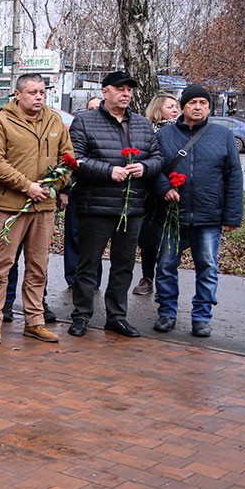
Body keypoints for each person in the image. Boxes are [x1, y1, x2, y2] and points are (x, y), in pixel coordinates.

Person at [67, 71, 163, 338]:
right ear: (105, 92)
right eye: (120, 89)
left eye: (129, 90)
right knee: (88, 264)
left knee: (124, 265)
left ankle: (117, 316)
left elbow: (158, 157)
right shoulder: (85, 122)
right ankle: (82, 315)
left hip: (132, 208)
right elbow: (75, 159)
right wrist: (108, 170)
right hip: (96, 206)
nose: (126, 94)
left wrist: (145, 167)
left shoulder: (143, 124)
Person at [0, 73, 73, 345]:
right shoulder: (1, 121)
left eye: (42, 92)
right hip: (10, 206)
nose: (39, 97)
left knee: (38, 268)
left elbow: (68, 159)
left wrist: (55, 185)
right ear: (17, 95)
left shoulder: (55, 120)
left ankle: (35, 321)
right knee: (2, 266)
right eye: (33, 92)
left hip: (43, 207)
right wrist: (26, 186)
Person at [152, 84, 242, 337]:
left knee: (208, 267)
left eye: (203, 103)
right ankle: (167, 313)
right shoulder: (165, 136)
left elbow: (233, 176)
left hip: (209, 214)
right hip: (173, 213)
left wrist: (232, 215)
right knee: (167, 265)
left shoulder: (222, 136)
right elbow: (155, 168)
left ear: (209, 107)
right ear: (183, 107)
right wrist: (164, 188)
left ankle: (202, 317)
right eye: (193, 103)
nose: (198, 107)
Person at [133, 92, 181, 297]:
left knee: (170, 240)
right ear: (157, 109)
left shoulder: (183, 132)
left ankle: (165, 277)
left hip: (176, 192)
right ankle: (147, 277)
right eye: (170, 106)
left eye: (176, 106)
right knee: (148, 239)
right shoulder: (148, 132)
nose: (175, 110)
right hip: (150, 194)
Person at [62, 95, 103, 286]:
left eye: (98, 108)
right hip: (78, 191)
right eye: (90, 108)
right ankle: (73, 277)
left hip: (100, 193)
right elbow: (69, 161)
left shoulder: (109, 130)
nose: (94, 111)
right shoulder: (78, 129)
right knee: (74, 235)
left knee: (94, 240)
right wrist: (65, 190)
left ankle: (93, 278)